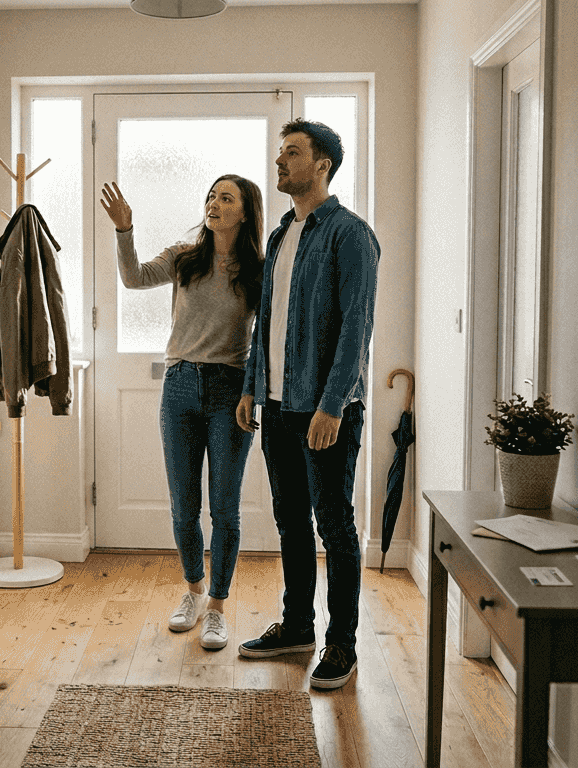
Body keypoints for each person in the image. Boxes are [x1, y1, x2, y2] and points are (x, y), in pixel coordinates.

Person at [235, 119, 380, 690]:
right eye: (280, 154)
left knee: (335, 525)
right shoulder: (279, 236)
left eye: (291, 154)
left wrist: (333, 405)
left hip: (325, 411)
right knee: (291, 521)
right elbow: (265, 323)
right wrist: (251, 386)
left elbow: (355, 329)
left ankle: (341, 644)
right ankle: (298, 626)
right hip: (275, 405)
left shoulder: (350, 234)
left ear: (322, 165)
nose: (279, 163)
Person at [100, 175, 265, 650]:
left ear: (244, 212)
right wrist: (124, 230)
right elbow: (134, 279)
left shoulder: (258, 269)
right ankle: (192, 591)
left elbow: (266, 337)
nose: (214, 204)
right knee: (183, 507)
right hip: (179, 388)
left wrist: (252, 391)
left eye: (226, 198)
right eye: (211, 196)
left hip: (230, 391)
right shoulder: (184, 257)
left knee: (226, 510)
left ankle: (217, 606)